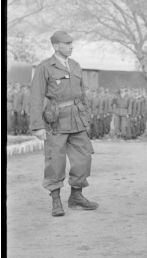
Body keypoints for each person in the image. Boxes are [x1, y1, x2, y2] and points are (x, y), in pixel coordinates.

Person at [30, 30, 98, 216]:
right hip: (56, 120)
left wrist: (86, 117)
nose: (71, 46)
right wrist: (37, 126)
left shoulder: (75, 65)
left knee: (84, 159)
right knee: (55, 161)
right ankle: (56, 200)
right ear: (56, 46)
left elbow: (82, 94)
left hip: (77, 119)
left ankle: (76, 196)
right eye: (67, 44)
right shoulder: (45, 67)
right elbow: (36, 96)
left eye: (71, 43)